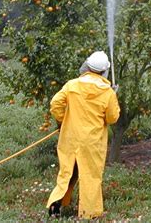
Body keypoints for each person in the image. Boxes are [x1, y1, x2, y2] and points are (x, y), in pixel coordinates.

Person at [46, 51, 120, 219]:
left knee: (67, 172)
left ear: (87, 66)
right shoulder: (107, 93)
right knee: (91, 176)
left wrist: (63, 120)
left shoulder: (72, 85)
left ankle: (55, 206)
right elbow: (112, 118)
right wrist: (113, 96)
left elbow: (55, 104)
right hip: (92, 143)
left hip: (70, 138)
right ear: (104, 71)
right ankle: (88, 214)